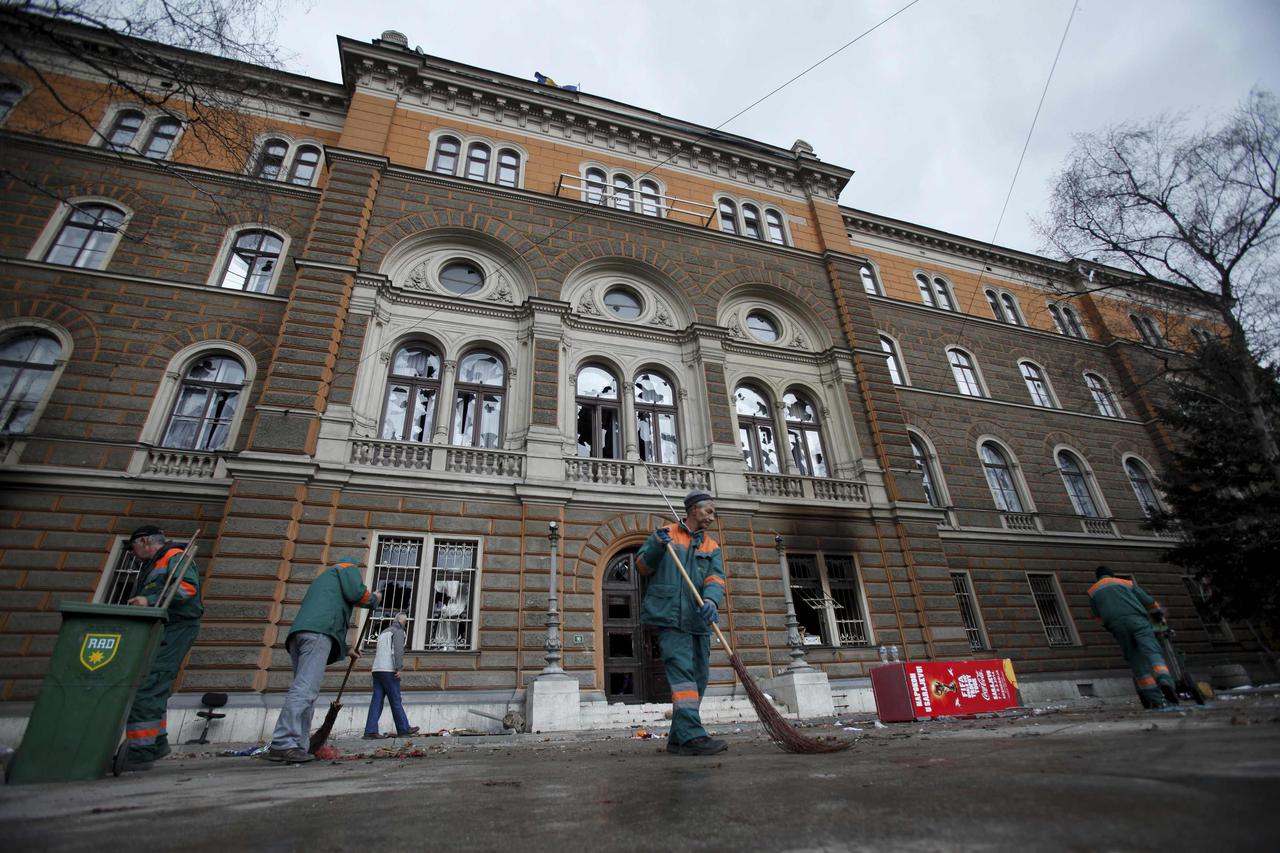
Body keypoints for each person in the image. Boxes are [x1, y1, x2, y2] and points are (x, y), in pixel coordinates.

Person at [635, 489, 728, 756]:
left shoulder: (711, 547)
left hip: (699, 620)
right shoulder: (666, 534)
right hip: (671, 618)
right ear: (693, 510)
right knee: (683, 678)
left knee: (698, 678)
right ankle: (692, 737)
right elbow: (642, 566)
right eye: (708, 510)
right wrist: (655, 544)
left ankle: (678, 739)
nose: (712, 516)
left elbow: (716, 579)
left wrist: (711, 602)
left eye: (714, 511)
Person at [264, 559, 379, 763]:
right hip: (317, 635)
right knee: (305, 690)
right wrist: (374, 599)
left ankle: (299, 745)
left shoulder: (323, 581)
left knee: (304, 689)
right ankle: (283, 743)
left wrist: (346, 649)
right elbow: (357, 594)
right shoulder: (347, 568)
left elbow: (326, 613)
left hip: (300, 635)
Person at [122, 524, 203, 770]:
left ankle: (142, 751)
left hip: (175, 628)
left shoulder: (174, 557)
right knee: (153, 685)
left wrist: (149, 600)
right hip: (162, 629)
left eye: (134, 548)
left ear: (145, 541)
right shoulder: (154, 563)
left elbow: (187, 589)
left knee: (148, 685)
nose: (133, 554)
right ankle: (156, 744)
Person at [1088, 565, 1178, 709]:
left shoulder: (1093, 591)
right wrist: (1157, 614)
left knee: (1135, 659)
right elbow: (1148, 601)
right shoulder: (1125, 583)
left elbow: (1097, 616)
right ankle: (1165, 680)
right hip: (1137, 621)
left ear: (1097, 577)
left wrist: (1109, 627)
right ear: (1112, 574)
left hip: (1117, 626)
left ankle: (1155, 699)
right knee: (1152, 651)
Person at [363, 613, 419, 739]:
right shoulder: (398, 631)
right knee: (395, 699)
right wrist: (399, 668)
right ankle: (404, 729)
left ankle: (370, 731)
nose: (405, 623)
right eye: (405, 621)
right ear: (402, 621)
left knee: (377, 700)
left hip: (377, 669)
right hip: (389, 670)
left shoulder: (384, 632)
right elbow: (398, 651)